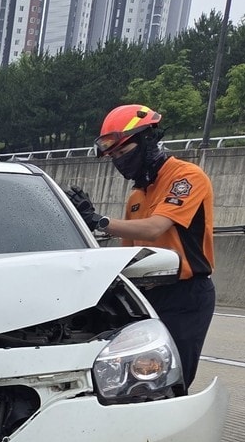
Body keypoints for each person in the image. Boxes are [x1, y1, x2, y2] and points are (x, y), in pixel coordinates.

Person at [67, 104, 217, 387]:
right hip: (147, 296)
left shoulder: (186, 177)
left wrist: (99, 221)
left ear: (148, 140)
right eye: (113, 156)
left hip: (186, 295)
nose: (120, 161)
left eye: (123, 152)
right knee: (134, 381)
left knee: (172, 380)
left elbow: (155, 228)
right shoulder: (136, 195)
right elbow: (129, 256)